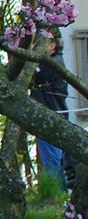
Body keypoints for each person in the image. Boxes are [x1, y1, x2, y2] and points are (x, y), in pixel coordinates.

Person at [33, 38, 74, 188]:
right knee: (50, 154)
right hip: (52, 112)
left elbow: (34, 76)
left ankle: (56, 192)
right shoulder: (55, 62)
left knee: (51, 156)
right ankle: (56, 190)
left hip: (50, 113)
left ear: (52, 46)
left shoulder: (52, 63)